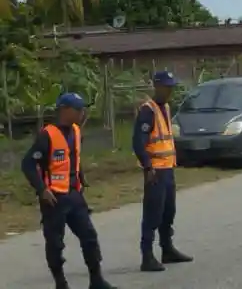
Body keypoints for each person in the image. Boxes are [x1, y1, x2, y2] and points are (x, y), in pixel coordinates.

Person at [22, 93, 117, 289]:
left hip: (74, 195)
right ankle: (60, 283)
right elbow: (28, 165)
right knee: (55, 243)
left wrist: (81, 178)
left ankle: (96, 280)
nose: (83, 113)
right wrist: (42, 190)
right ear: (65, 110)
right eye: (78, 109)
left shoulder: (75, 131)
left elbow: (72, 158)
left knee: (89, 236)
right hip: (54, 199)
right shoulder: (47, 135)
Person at [133, 71, 192, 272]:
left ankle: (167, 249)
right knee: (152, 214)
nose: (169, 91)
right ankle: (147, 256)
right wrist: (148, 167)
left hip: (168, 169)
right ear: (157, 87)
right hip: (155, 171)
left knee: (168, 212)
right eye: (166, 87)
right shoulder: (147, 111)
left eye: (171, 87)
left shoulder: (165, 108)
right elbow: (138, 142)